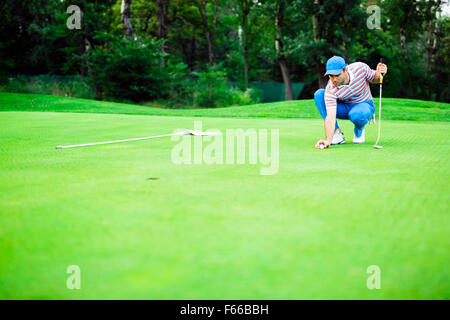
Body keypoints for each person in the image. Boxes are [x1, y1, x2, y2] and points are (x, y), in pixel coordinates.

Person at [314, 56, 387, 149]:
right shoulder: (331, 88)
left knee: (358, 114)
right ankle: (337, 134)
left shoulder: (360, 68)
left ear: (346, 69)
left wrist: (380, 73)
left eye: (337, 75)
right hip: (345, 108)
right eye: (331, 76)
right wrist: (328, 140)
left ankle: (359, 130)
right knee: (319, 95)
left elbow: (375, 79)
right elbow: (330, 117)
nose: (334, 79)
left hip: (364, 105)